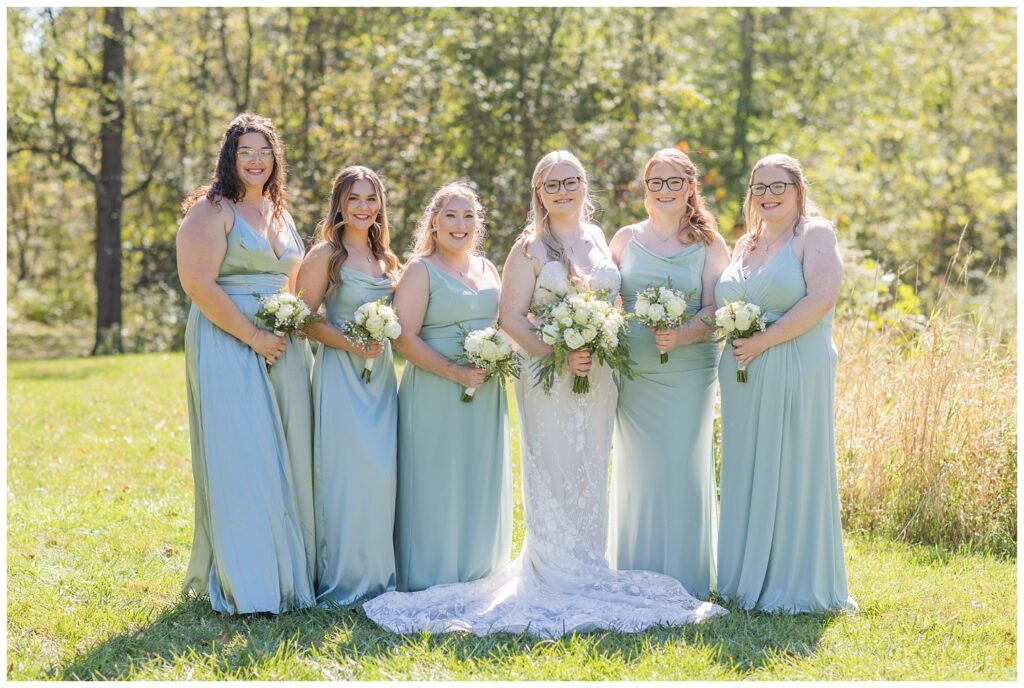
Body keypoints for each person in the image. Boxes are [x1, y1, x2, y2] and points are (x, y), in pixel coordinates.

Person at [363, 152, 725, 637]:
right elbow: (511, 317)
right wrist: (556, 354)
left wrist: (596, 339)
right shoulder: (528, 248)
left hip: (599, 378)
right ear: (539, 193)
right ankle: (555, 569)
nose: (562, 190)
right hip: (547, 378)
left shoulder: (599, 239)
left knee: (591, 470)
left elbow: (613, 303)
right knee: (555, 470)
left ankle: (588, 565)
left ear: (583, 185)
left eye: (571, 181)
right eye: (551, 184)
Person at [177, 112, 314, 614]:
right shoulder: (211, 211)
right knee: (244, 452)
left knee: (290, 452)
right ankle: (251, 580)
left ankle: (291, 569)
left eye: (264, 151)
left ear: (275, 158)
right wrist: (254, 335)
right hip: (229, 340)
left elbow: (294, 281)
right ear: (230, 158)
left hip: (284, 346)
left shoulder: (279, 212)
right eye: (246, 151)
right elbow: (198, 284)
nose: (256, 160)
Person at [715, 153, 857, 612]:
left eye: (778, 186)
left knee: (792, 465)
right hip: (742, 375)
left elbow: (821, 299)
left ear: (798, 191)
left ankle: (792, 581)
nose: (768, 195)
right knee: (747, 468)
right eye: (759, 187)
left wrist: (764, 340)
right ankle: (743, 578)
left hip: (796, 363)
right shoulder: (743, 245)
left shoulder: (814, 234)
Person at [607, 148, 730, 599]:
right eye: (655, 182)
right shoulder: (624, 238)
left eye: (674, 182)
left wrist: (683, 334)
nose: (664, 191)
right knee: (637, 466)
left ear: (691, 187)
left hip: (689, 369)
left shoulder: (709, 243)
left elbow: (719, 308)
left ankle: (686, 576)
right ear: (645, 189)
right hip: (633, 368)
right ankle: (632, 571)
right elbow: (603, 296)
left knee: (680, 463)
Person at [389, 181, 512, 592]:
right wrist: (453, 372)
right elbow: (403, 337)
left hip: (486, 392)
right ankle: (432, 574)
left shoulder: (488, 268)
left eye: (469, 216)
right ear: (434, 223)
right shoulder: (421, 270)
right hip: (436, 389)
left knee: (478, 478)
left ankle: (479, 570)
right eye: (451, 216)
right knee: (436, 480)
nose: (461, 225)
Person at [296, 165, 401, 606]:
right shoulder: (324, 255)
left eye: (371, 198)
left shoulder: (387, 260)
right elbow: (302, 319)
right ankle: (343, 577)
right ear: (339, 203)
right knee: (345, 476)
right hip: (341, 375)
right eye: (354, 199)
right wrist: (351, 345)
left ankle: (379, 575)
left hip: (381, 381)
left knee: (380, 476)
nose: (363, 207)